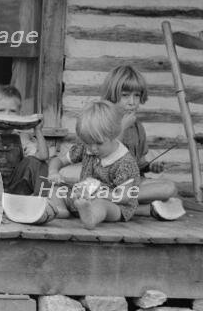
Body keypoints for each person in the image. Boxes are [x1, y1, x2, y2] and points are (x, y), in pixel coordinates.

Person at [100, 65, 182, 217]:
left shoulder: (138, 127)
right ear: (112, 95)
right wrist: (122, 128)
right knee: (167, 195)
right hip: (109, 183)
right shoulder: (102, 121)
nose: (132, 102)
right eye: (125, 95)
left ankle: (121, 205)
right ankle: (128, 204)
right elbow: (106, 159)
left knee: (170, 188)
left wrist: (151, 167)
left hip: (133, 183)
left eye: (136, 95)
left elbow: (138, 165)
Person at [47, 100, 140, 229]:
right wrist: (53, 172)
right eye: (88, 142)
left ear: (114, 135)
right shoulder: (87, 148)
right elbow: (58, 161)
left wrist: (99, 194)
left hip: (114, 205)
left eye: (98, 143)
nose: (93, 148)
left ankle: (91, 217)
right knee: (57, 191)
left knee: (100, 205)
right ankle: (60, 209)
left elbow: (124, 197)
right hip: (83, 197)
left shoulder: (124, 162)